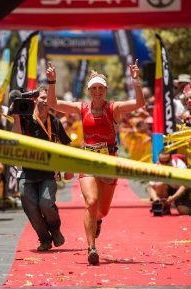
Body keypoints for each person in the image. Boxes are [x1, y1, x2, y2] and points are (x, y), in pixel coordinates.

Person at [47, 59, 145, 265]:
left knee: (103, 210)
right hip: (88, 160)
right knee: (90, 202)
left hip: (109, 162)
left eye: (101, 88)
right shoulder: (82, 108)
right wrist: (52, 82)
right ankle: (91, 247)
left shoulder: (114, 108)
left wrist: (136, 82)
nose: (98, 91)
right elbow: (53, 104)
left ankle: (97, 219)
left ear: (106, 90)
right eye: (94, 88)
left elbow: (139, 104)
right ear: (89, 91)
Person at [12, 63, 72, 252]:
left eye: (48, 98)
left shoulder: (54, 121)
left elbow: (67, 145)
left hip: (48, 172)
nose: (46, 101)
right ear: (35, 100)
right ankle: (44, 238)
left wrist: (69, 167)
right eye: (43, 98)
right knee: (30, 207)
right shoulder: (25, 119)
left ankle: (55, 229)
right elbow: (17, 138)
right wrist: (15, 117)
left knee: (45, 204)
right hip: (27, 171)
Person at [148, 151, 191, 216]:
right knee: (159, 184)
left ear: (171, 159)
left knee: (184, 212)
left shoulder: (179, 165)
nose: (164, 164)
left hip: (179, 189)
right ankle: (165, 207)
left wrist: (173, 198)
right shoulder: (156, 167)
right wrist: (155, 199)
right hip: (166, 188)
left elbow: (184, 186)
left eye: (167, 162)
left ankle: (190, 203)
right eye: (162, 162)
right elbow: (150, 187)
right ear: (159, 160)